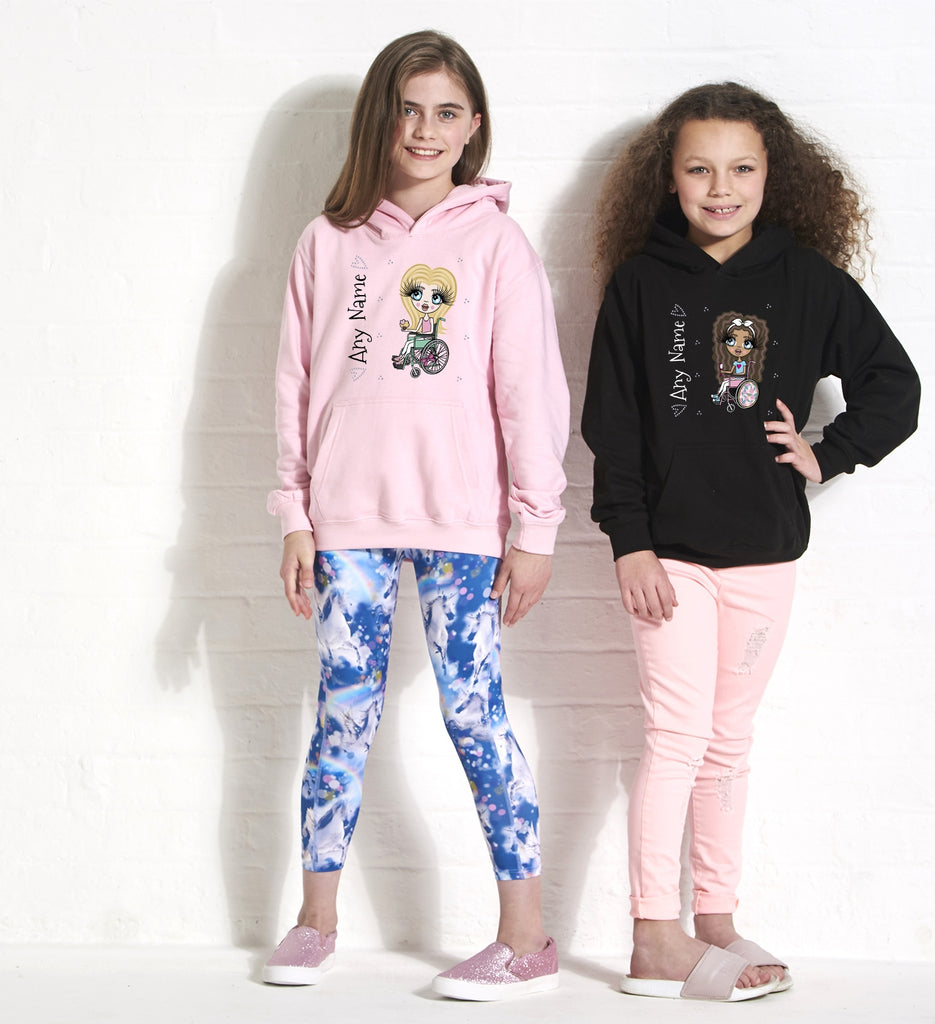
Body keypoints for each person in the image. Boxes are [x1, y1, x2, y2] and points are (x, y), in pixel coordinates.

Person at [582, 82, 920, 1003]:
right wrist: (629, 542)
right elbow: (613, 426)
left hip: (766, 552)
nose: (721, 188)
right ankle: (653, 936)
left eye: (741, 169)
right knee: (678, 734)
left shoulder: (808, 281)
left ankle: (715, 920)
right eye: (699, 169)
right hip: (668, 556)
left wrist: (828, 453)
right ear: (670, 177)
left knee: (729, 739)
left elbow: (895, 386)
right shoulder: (641, 283)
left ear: (774, 176)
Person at [263, 30, 568, 1001]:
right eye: (408, 108)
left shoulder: (495, 245)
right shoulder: (327, 241)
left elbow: (530, 392)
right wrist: (293, 512)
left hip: (462, 524)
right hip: (345, 519)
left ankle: (526, 936)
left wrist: (535, 529)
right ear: (380, 119)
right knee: (341, 716)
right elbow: (291, 385)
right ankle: (315, 918)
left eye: (446, 111)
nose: (425, 129)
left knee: (474, 713)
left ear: (473, 125)